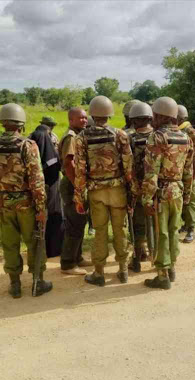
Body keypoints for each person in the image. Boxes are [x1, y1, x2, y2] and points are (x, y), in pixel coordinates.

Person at [0, 103, 53, 298]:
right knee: (35, 241)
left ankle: (15, 284)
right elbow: (37, 179)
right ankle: (38, 281)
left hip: (4, 203)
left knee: (10, 243)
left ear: (3, 123)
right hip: (26, 202)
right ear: (21, 124)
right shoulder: (27, 146)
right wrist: (40, 207)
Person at [74, 96, 138, 286]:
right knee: (120, 229)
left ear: (92, 113)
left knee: (100, 230)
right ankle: (123, 270)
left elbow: (80, 170)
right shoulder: (120, 135)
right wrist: (131, 191)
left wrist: (79, 196)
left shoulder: (82, 137)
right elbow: (128, 166)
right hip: (118, 190)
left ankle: (99, 272)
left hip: (96, 191)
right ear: (109, 114)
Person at [141, 97, 194, 290]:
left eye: (154, 115)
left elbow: (151, 171)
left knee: (161, 231)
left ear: (161, 116)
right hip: (178, 190)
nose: (152, 118)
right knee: (173, 230)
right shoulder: (185, 137)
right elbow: (189, 170)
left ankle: (162, 275)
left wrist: (147, 198)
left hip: (161, 192)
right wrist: (187, 193)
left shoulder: (157, 137)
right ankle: (172, 267)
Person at [58, 107, 92, 275]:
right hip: (72, 185)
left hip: (76, 184)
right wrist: (78, 186)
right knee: (74, 224)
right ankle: (68, 263)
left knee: (80, 222)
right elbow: (68, 164)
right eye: (81, 118)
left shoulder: (77, 135)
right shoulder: (71, 137)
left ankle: (77, 257)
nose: (84, 121)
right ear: (71, 120)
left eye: (86, 118)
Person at [28, 116, 64, 259]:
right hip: (50, 180)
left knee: (39, 213)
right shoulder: (44, 136)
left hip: (35, 180)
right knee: (53, 212)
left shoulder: (32, 136)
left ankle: (41, 248)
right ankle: (51, 249)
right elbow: (54, 159)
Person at [127, 102, 154, 272]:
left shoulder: (130, 139)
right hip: (155, 188)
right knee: (157, 224)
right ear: (150, 118)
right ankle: (156, 258)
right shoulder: (158, 137)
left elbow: (126, 166)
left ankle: (137, 259)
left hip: (136, 189)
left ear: (134, 121)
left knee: (137, 226)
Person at [177, 105, 195, 243]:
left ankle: (191, 229)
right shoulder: (177, 130)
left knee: (191, 200)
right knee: (182, 200)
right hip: (179, 172)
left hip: (190, 172)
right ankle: (186, 224)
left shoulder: (188, 130)